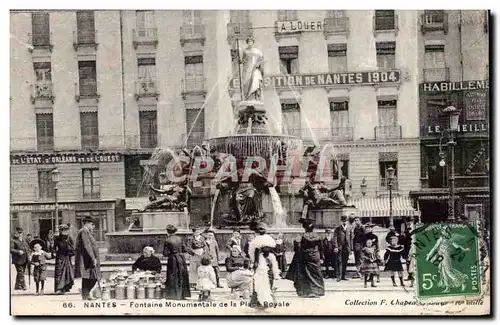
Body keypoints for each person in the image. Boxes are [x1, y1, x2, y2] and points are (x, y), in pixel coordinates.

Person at [286, 217, 325, 298]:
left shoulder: (303, 236)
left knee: (305, 274)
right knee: (316, 273)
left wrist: (296, 243)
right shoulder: (317, 236)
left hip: (305, 256)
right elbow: (321, 248)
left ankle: (307, 291)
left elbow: (298, 248)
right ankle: (318, 290)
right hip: (315, 256)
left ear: (305, 227)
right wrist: (321, 257)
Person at [249, 222, 281, 308]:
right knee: (260, 280)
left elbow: (258, 250)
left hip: (266, 261)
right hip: (264, 261)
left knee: (263, 280)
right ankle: (259, 300)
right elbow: (257, 250)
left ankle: (262, 300)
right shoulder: (264, 239)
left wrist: (256, 261)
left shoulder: (260, 239)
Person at [75, 216, 101, 300]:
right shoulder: (83, 231)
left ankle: (86, 294)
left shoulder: (87, 231)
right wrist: (93, 258)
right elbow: (87, 246)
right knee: (90, 277)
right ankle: (85, 294)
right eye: (92, 224)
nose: (93, 226)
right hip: (86, 259)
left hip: (88, 258)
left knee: (90, 277)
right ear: (87, 223)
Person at [163, 224, 191, 300]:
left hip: (173, 259)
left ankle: (173, 295)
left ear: (167, 231)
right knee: (182, 274)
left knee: (172, 276)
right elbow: (184, 249)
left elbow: (165, 253)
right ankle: (183, 294)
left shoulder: (167, 240)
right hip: (181, 258)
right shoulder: (180, 238)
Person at [241, 36, 264, 101]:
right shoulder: (245, 51)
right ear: (247, 42)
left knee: (255, 82)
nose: (250, 43)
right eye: (248, 41)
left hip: (254, 69)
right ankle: (247, 98)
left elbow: (261, 59)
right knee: (246, 83)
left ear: (253, 42)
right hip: (247, 69)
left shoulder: (257, 51)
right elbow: (243, 60)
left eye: (251, 41)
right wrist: (241, 61)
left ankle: (255, 97)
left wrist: (257, 64)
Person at [54, 224, 75, 294]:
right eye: (63, 230)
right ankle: (58, 289)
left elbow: (73, 248)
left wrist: (70, 253)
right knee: (58, 273)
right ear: (60, 231)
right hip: (60, 257)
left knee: (67, 273)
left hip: (67, 257)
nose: (65, 231)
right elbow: (54, 248)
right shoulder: (57, 238)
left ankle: (66, 287)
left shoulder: (70, 238)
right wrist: (54, 253)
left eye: (66, 230)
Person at [333, 215, 352, 281]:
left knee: (345, 262)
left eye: (345, 221)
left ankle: (344, 276)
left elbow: (351, 239)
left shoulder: (349, 228)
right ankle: (339, 276)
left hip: (346, 248)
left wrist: (351, 249)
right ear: (341, 221)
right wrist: (336, 246)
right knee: (339, 261)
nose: (344, 222)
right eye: (343, 221)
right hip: (339, 247)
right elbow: (334, 238)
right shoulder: (337, 228)